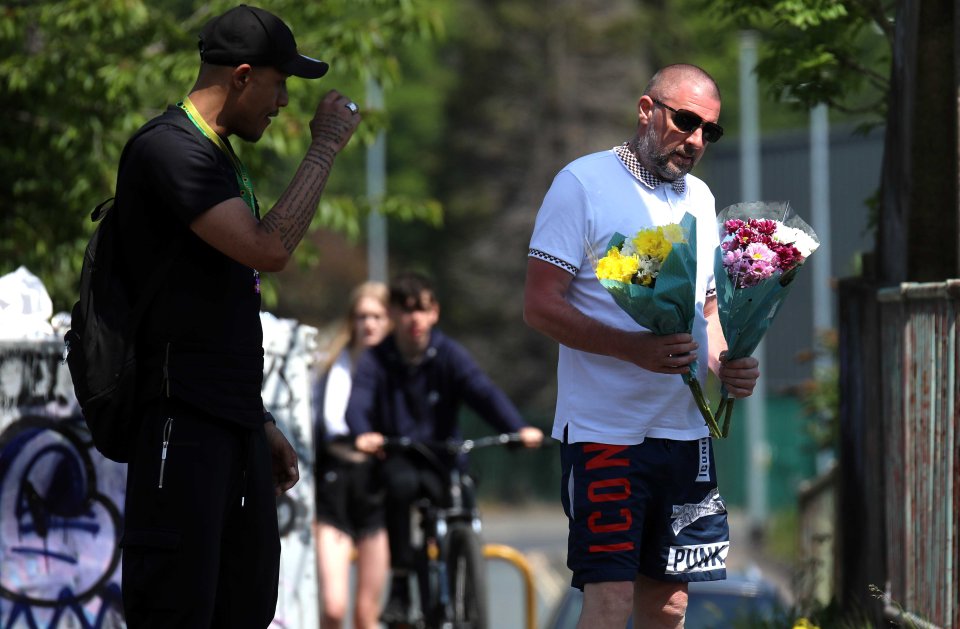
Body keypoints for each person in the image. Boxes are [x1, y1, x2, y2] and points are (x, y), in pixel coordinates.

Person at [114, 5, 361, 627]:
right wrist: (326, 146)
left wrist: (255, 421)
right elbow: (269, 247)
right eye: (280, 86)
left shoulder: (219, 156)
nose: (283, 104)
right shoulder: (169, 149)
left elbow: (210, 312)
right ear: (243, 76)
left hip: (227, 422)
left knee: (244, 604)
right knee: (179, 608)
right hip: (180, 425)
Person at [523, 64, 761, 628]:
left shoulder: (700, 200)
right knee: (608, 598)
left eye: (711, 131)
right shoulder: (582, 184)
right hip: (605, 433)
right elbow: (540, 305)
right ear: (646, 110)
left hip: (684, 434)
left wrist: (726, 362)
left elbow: (707, 309)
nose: (698, 140)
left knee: (672, 602)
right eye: (686, 121)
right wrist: (633, 349)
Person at [346, 271, 544, 623]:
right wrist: (363, 432)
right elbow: (358, 404)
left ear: (434, 312)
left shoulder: (449, 354)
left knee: (461, 500)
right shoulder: (378, 359)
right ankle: (402, 583)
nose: (415, 319)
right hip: (401, 456)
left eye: (422, 309)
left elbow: (483, 392)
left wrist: (517, 428)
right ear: (392, 314)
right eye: (406, 310)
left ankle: (461, 576)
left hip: (444, 457)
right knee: (399, 486)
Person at [312, 282, 391, 629]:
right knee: (332, 606)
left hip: (376, 486)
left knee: (365, 615)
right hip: (333, 482)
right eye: (361, 316)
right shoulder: (332, 365)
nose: (369, 324)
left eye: (376, 316)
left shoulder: (397, 370)